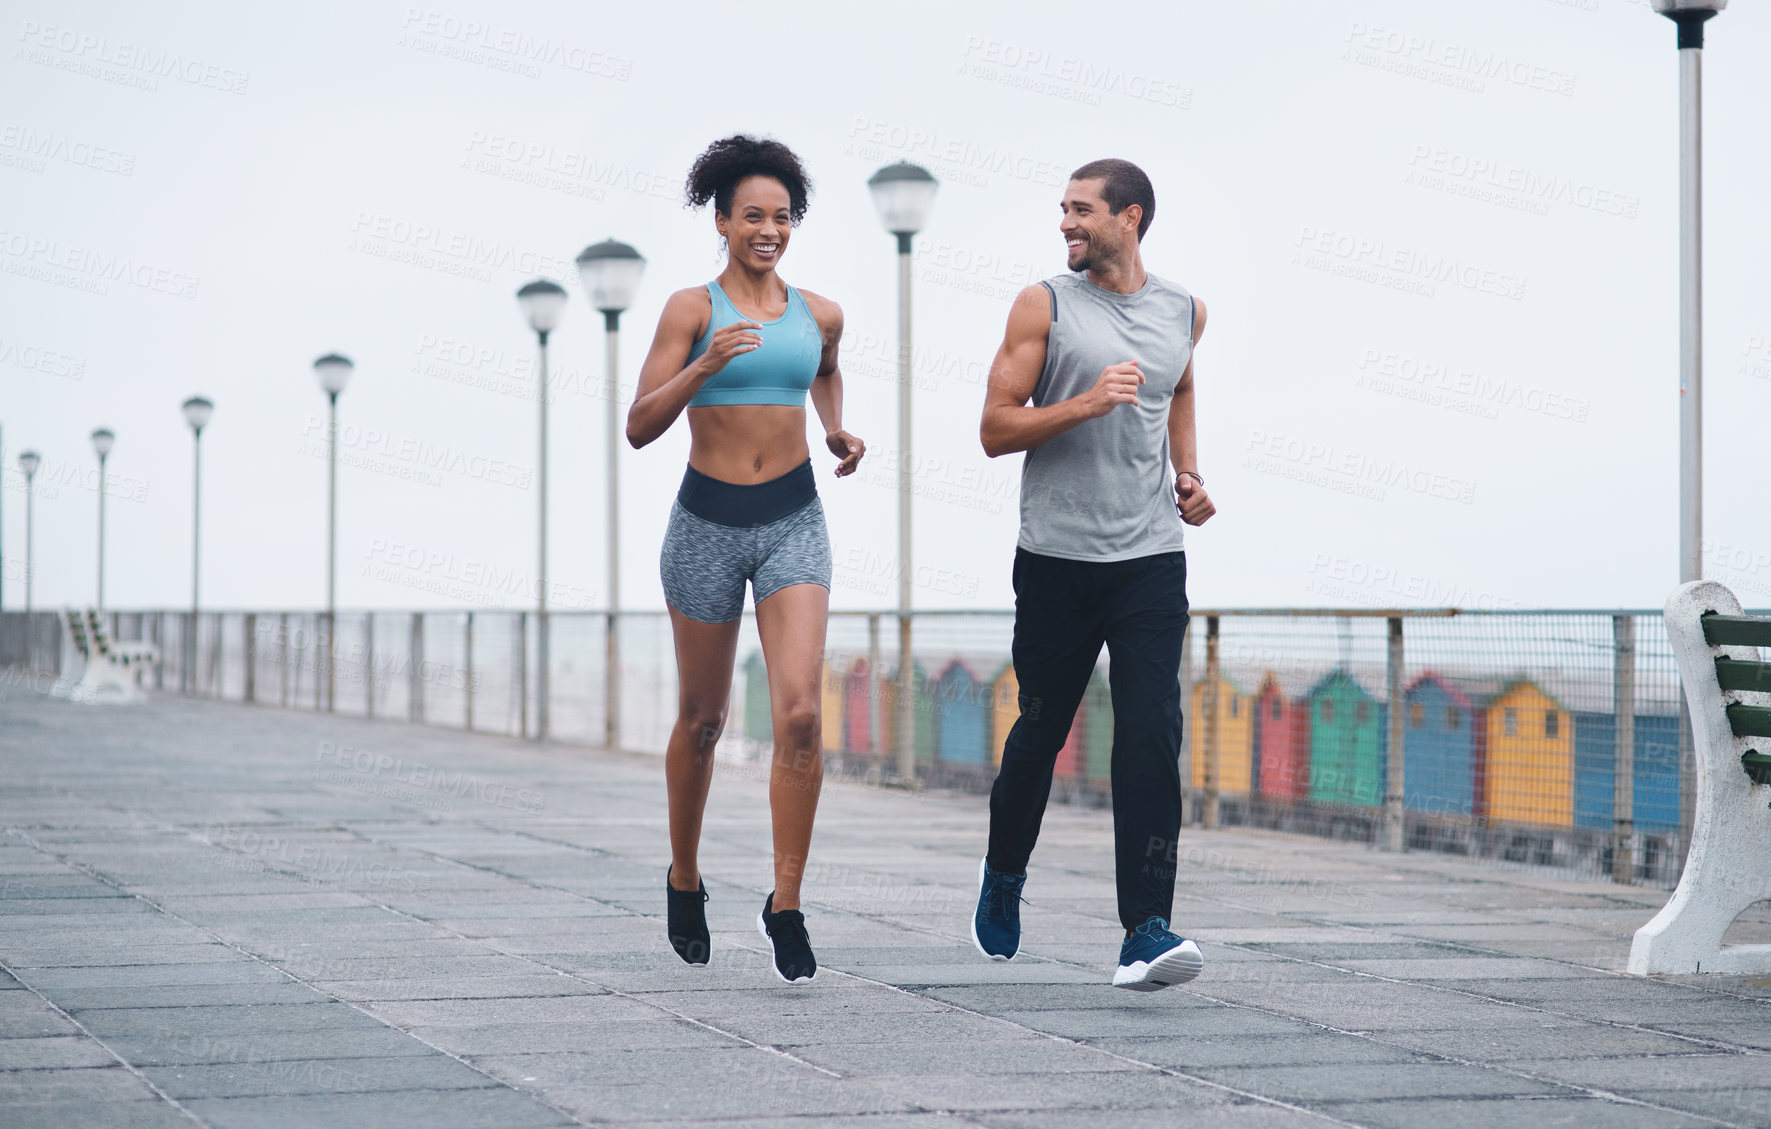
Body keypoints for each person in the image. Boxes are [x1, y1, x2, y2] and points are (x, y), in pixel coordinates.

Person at [972, 158, 1216, 991]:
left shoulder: (1185, 309)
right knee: (1038, 733)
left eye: (1081, 211)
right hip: (1056, 560)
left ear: (1131, 217)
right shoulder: (1042, 304)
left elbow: (1178, 387)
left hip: (1148, 556)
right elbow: (994, 430)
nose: (1066, 224)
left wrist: (1187, 472)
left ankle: (1144, 929)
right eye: (1063, 212)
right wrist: (1082, 402)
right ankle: (1005, 871)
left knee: (1150, 730)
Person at [627, 135, 864, 983]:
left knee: (800, 713)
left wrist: (834, 424)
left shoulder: (819, 311)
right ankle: (683, 876)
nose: (769, 229)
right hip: (706, 523)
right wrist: (702, 367)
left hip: (794, 515)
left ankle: (786, 901)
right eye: (753, 216)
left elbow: (826, 369)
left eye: (782, 217)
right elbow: (639, 424)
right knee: (703, 720)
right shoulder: (691, 310)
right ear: (722, 220)